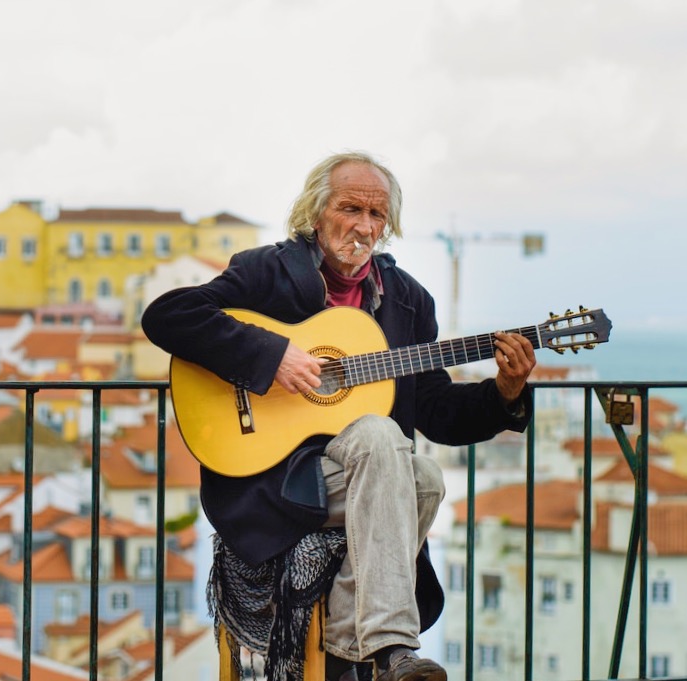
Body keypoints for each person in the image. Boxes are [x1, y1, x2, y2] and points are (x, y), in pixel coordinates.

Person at [140, 151, 536, 681]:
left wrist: (504, 394)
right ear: (316, 212)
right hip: (272, 477)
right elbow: (169, 316)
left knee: (426, 478)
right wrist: (272, 356)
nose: (364, 226)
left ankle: (350, 649)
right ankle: (394, 650)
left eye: (377, 216)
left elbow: (438, 412)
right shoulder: (267, 271)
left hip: (357, 478)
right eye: (351, 208)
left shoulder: (408, 300)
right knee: (379, 434)